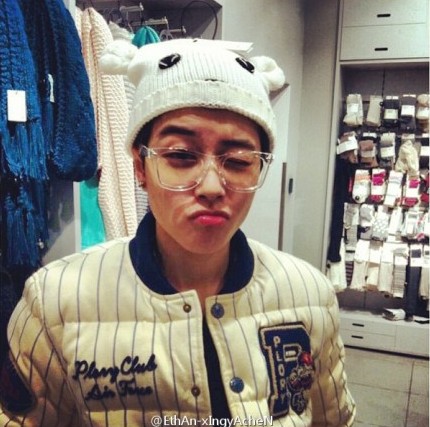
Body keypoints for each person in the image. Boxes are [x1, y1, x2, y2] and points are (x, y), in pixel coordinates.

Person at [0, 38, 356, 426]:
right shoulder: (56, 301)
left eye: (239, 161)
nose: (211, 187)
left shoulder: (309, 295)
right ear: (140, 166)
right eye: (181, 156)